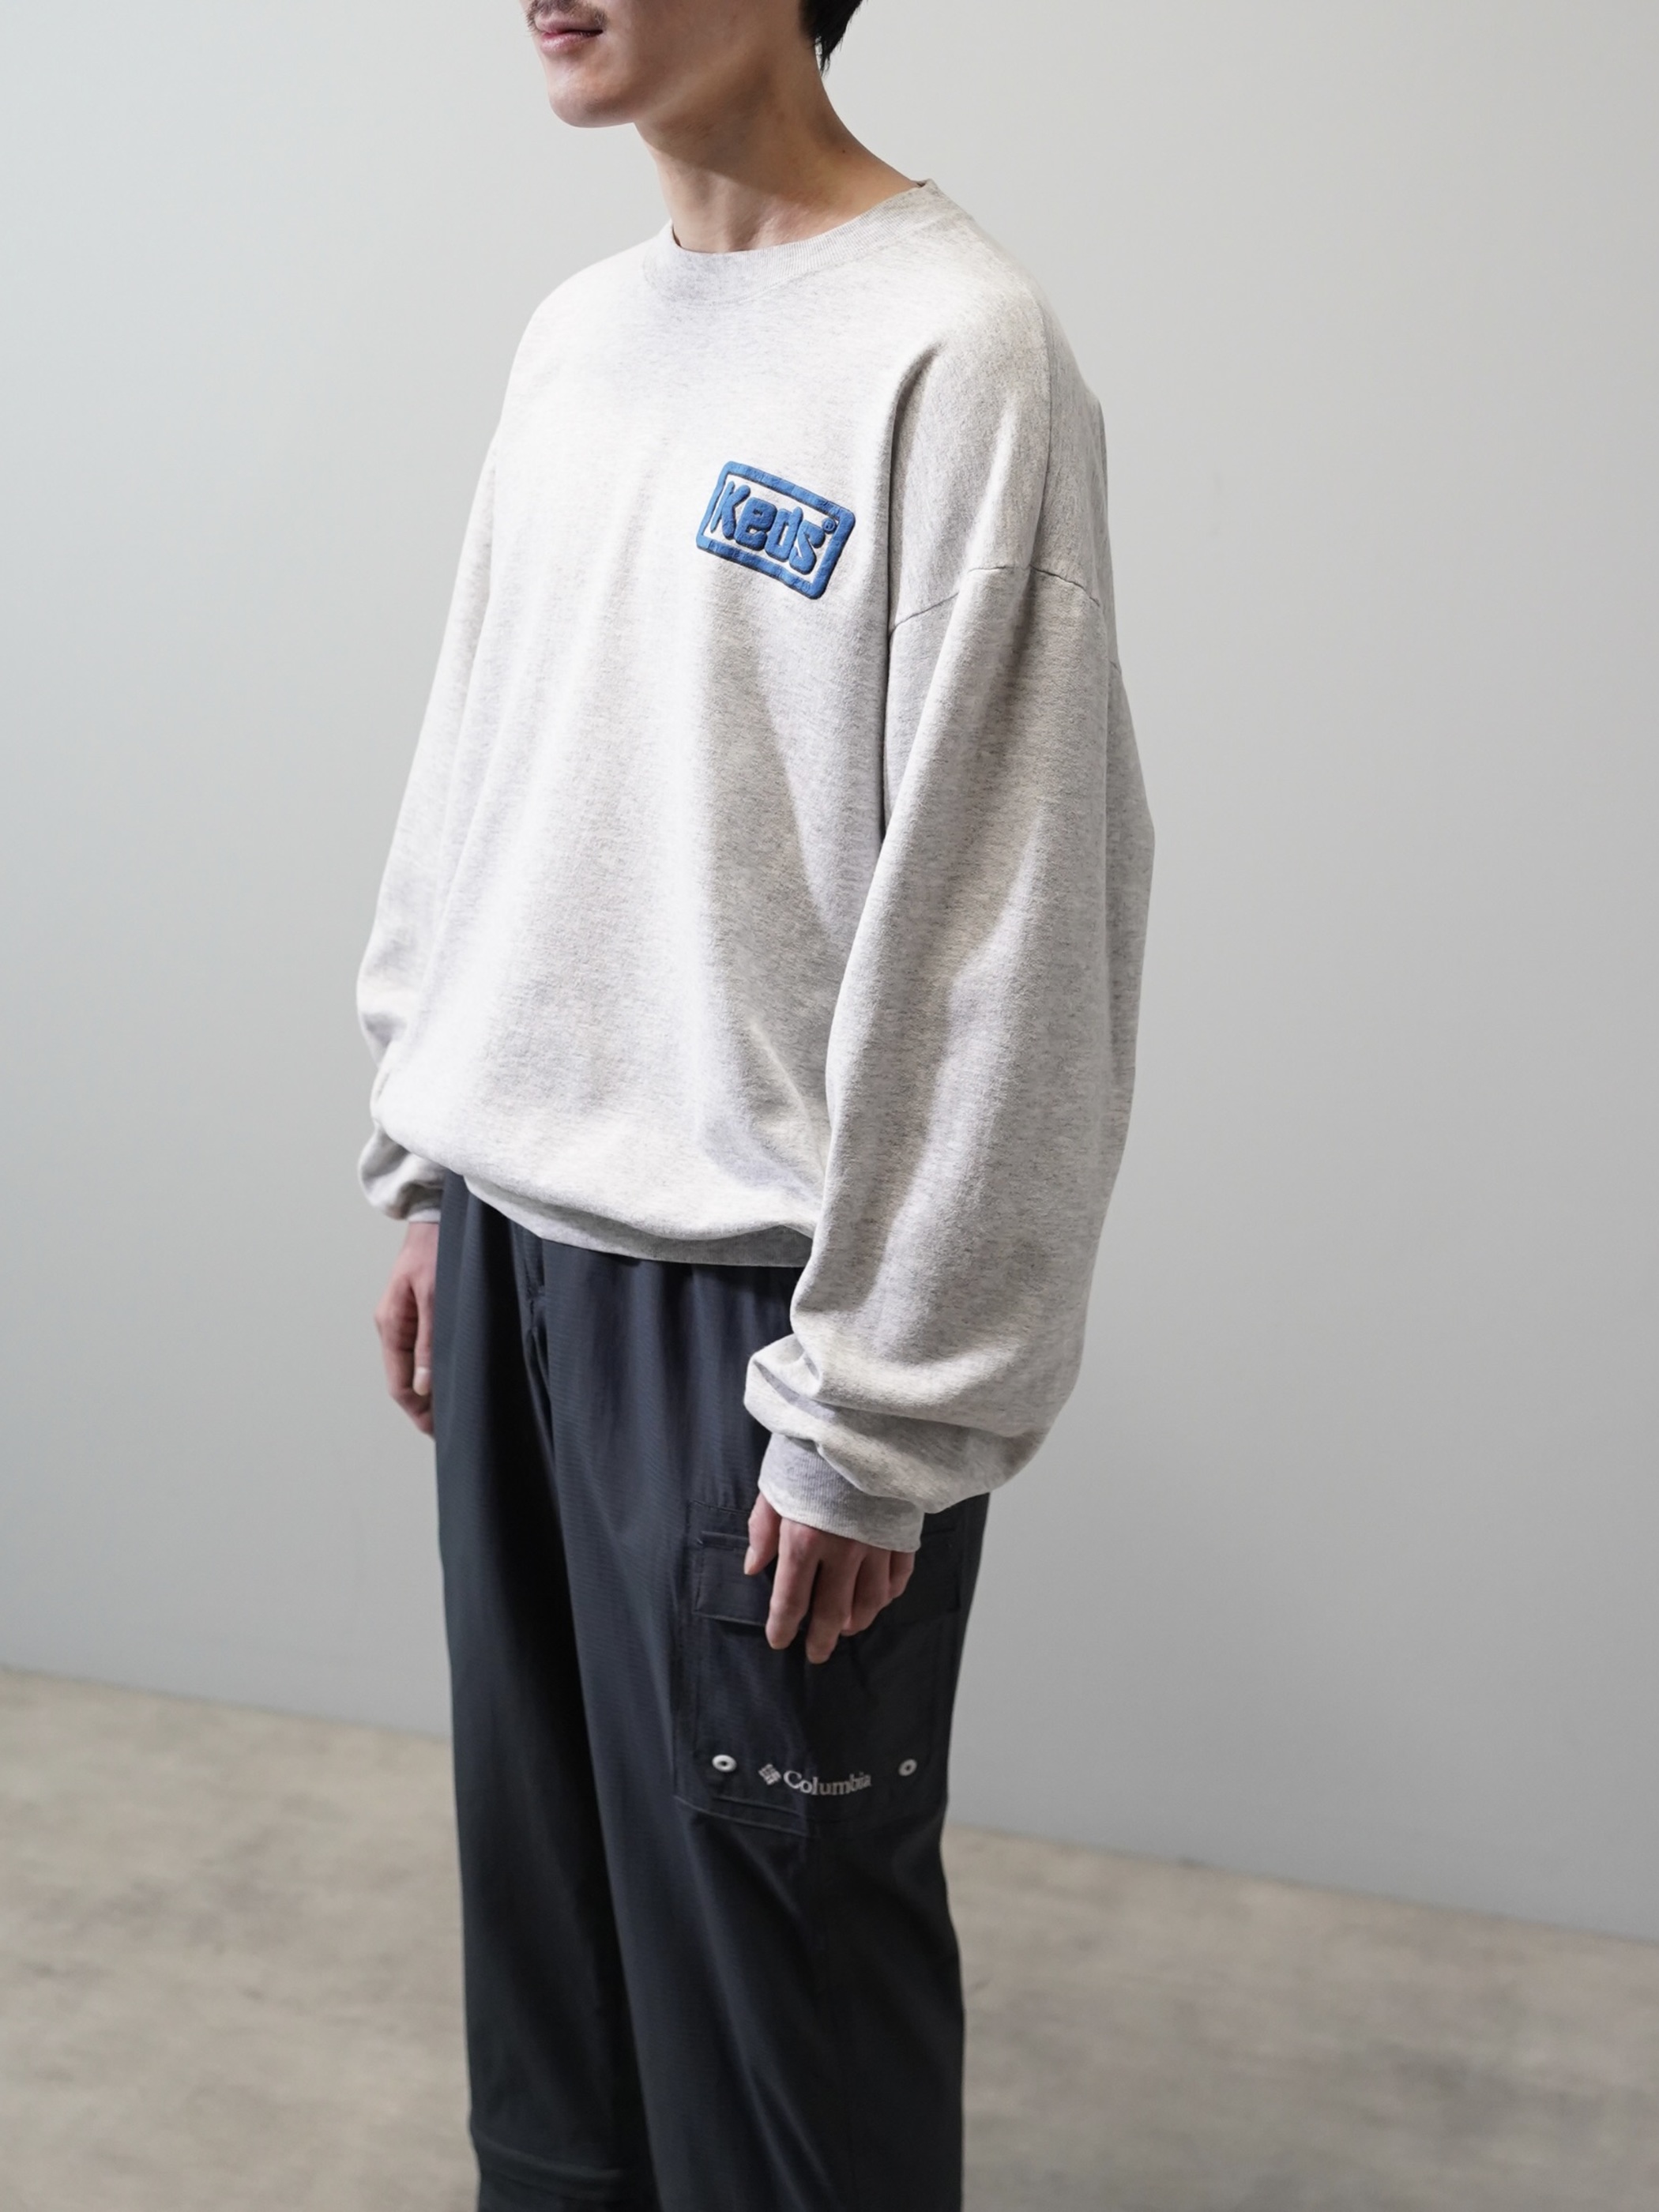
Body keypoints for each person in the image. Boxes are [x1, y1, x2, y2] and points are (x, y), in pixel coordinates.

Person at [359, 0, 1153, 2203]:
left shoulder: (954, 351)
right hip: (517, 1259)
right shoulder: (577, 339)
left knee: (783, 2040)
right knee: (560, 2019)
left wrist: (882, 1408)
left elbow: (1010, 917)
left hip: (756, 1328)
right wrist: (430, 1162)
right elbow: (486, 763)